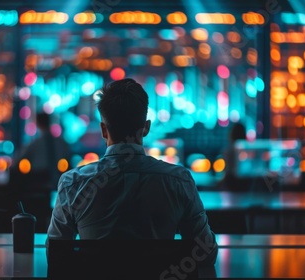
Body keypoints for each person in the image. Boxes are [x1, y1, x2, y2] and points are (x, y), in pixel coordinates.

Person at [46, 78, 218, 265]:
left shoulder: (73, 184)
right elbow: (206, 252)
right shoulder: (178, 180)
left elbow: (56, 255)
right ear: (146, 128)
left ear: (104, 130)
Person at [13, 112, 72, 189]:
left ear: (38, 124)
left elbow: (18, 160)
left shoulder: (35, 144)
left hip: (38, 181)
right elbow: (69, 160)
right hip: (60, 180)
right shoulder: (61, 143)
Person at [219, 122, 249, 190]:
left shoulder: (228, 150)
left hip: (230, 182)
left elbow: (227, 170)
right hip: (244, 183)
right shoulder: (247, 151)